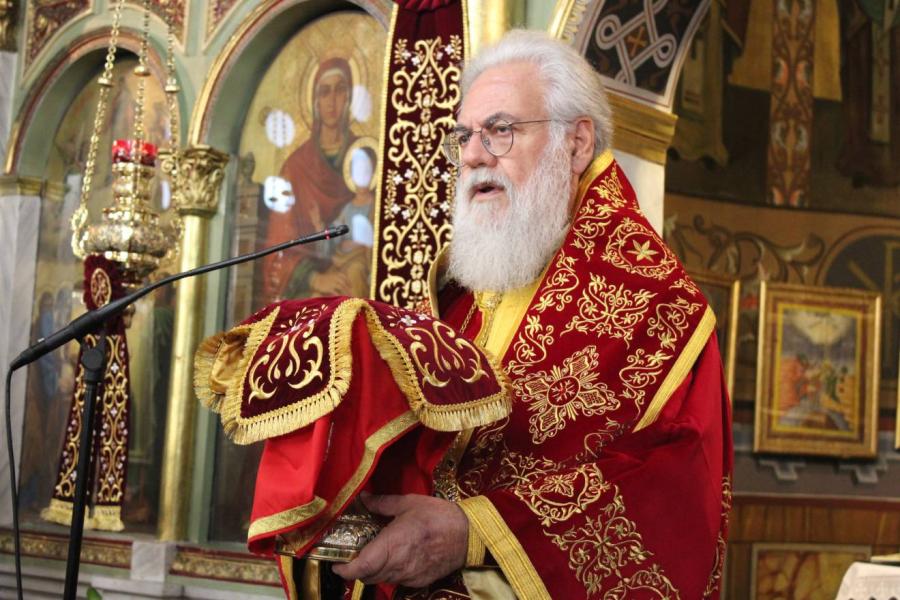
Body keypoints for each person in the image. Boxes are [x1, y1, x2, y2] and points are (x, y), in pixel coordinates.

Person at [330, 31, 734, 599]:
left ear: (576, 144)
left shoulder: (658, 307)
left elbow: (675, 496)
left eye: (501, 130)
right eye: (465, 136)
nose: (473, 156)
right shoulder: (458, 298)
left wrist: (474, 533)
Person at [262, 57, 360, 301]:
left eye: (339, 90)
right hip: (308, 288)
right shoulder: (295, 168)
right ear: (315, 101)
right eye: (324, 92)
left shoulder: (366, 157)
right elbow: (278, 248)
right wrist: (315, 279)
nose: (332, 101)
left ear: (349, 97)